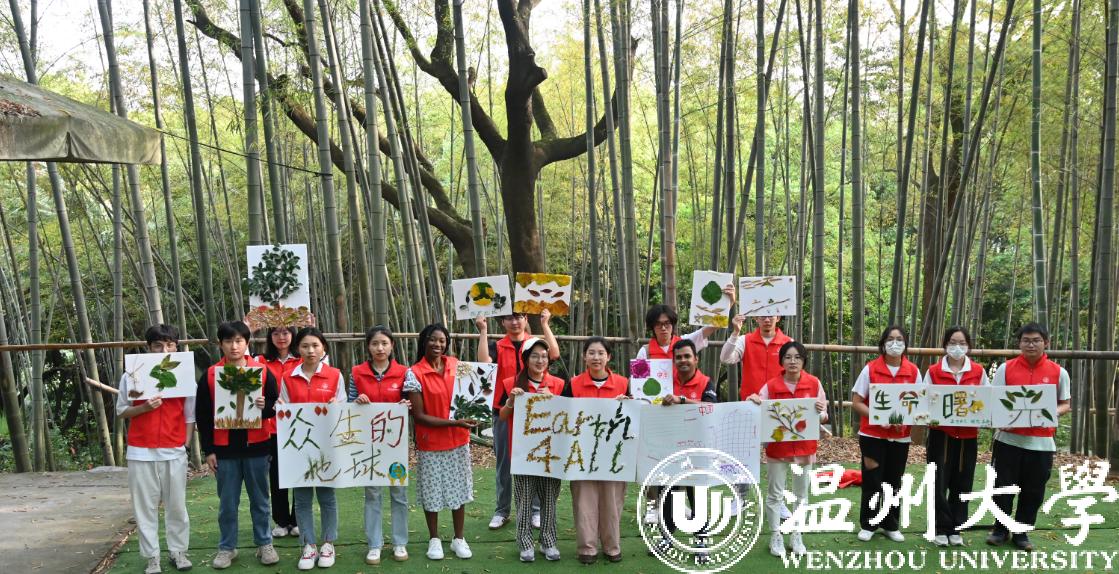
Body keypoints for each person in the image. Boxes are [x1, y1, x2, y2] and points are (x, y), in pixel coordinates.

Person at [197, 321, 280, 569]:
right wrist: (209, 450)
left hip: (257, 446)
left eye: (239, 341)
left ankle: (264, 543)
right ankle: (227, 547)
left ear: (247, 343)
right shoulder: (211, 375)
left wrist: (265, 407)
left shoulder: (262, 372)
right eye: (228, 341)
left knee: (260, 501)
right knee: (227, 503)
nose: (234, 346)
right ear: (220, 344)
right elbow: (203, 415)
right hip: (225, 450)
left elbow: (276, 405)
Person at [116, 324, 194, 574]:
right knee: (144, 508)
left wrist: (185, 445)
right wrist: (143, 408)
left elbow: (190, 416)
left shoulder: (184, 375)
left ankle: (178, 551)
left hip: (174, 448)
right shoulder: (132, 374)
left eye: (170, 345)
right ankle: (152, 557)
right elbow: (121, 410)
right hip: (140, 450)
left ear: (176, 347)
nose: (164, 350)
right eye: (158, 345)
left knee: (177, 505)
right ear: (148, 347)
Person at [986, 322, 1071, 551]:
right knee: (1002, 486)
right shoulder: (1005, 369)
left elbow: (1065, 404)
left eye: (1036, 341)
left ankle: (1021, 532)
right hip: (1008, 440)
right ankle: (1000, 529)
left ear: (1046, 343)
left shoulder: (1059, 372)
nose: (1031, 345)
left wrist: (1052, 412)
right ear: (1019, 343)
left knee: (1033, 490)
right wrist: (998, 417)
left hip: (1041, 443)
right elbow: (994, 400)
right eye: (1026, 340)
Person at [476, 310, 559, 531]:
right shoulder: (497, 346)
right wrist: (483, 330)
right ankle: (502, 511)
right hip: (504, 409)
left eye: (519, 317)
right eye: (509, 318)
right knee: (504, 462)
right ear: (503, 322)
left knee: (535, 460)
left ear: (525, 319)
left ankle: (535, 511)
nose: (515, 322)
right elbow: (484, 363)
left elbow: (554, 354)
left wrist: (545, 324)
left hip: (535, 411)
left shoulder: (534, 344)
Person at [745, 341, 827, 558]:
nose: (793, 361)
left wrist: (820, 411)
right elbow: (758, 406)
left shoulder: (814, 383)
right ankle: (775, 535)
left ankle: (796, 534)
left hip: (804, 447)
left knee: (801, 494)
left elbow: (824, 415)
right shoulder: (771, 386)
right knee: (775, 493)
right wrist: (753, 401)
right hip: (778, 448)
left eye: (797, 357)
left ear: (804, 361)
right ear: (781, 361)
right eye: (788, 357)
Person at [405, 323, 476, 561]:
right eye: (433, 339)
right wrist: (455, 422)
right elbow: (419, 416)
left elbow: (471, 396)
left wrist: (473, 414)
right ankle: (434, 539)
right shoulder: (414, 373)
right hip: (431, 442)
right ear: (424, 341)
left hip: (458, 440)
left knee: (459, 490)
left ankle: (459, 538)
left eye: (442, 340)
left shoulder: (458, 366)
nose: (438, 344)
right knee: (432, 492)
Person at [280, 328, 345, 569]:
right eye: (305, 346)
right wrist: (280, 408)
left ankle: (328, 543)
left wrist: (338, 405)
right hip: (298, 448)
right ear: (298, 349)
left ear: (323, 348)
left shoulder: (334, 375)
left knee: (327, 497)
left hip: (327, 446)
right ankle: (308, 545)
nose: (310, 350)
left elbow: (343, 406)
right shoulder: (288, 377)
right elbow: (284, 408)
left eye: (315, 345)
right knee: (302, 499)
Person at [497, 337, 566, 562]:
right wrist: (511, 400)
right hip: (523, 453)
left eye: (544, 356)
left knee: (549, 498)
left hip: (551, 451)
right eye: (535, 356)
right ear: (525, 359)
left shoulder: (558, 384)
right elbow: (502, 416)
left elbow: (568, 414)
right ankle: (525, 543)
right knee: (524, 498)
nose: (540, 360)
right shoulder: (511, 384)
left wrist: (554, 400)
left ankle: (549, 541)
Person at [850, 325, 921, 543]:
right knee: (872, 479)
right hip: (872, 435)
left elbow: (919, 404)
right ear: (883, 343)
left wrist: (904, 421)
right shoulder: (870, 369)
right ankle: (869, 524)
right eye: (890, 339)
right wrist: (878, 417)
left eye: (900, 339)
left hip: (900, 436)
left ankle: (890, 524)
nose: (895, 343)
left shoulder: (913, 371)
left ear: (906, 344)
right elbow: (857, 402)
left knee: (893, 480)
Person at [563, 337, 631, 564]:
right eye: (591, 353)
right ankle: (587, 547)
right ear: (584, 356)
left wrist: (628, 404)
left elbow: (636, 414)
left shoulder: (623, 383)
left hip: (614, 454)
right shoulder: (573, 384)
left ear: (608, 357)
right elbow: (563, 414)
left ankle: (612, 546)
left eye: (601, 353)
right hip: (581, 452)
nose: (596, 357)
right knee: (584, 500)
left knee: (612, 500)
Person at [350, 326, 412, 564]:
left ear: (392, 346)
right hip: (368, 445)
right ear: (368, 346)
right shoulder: (357, 372)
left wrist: (407, 405)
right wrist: (357, 402)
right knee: (372, 493)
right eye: (375, 343)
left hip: (395, 445)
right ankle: (374, 544)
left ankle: (399, 542)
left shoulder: (404, 372)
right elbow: (348, 405)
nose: (380, 348)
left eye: (384, 343)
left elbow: (411, 402)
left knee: (398, 493)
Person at [922, 326, 988, 547]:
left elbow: (986, 400)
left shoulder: (978, 371)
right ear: (945, 345)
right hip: (941, 435)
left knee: (963, 481)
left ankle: (956, 526)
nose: (957, 347)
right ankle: (940, 527)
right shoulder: (933, 371)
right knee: (938, 481)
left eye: (962, 343)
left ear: (968, 346)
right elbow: (924, 400)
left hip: (968, 436)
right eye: (952, 342)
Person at [652, 339, 718, 556]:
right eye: (678, 357)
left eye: (687, 356)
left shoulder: (706, 382)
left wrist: (681, 401)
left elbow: (710, 408)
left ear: (696, 359)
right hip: (668, 448)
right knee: (667, 494)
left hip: (697, 449)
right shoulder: (663, 382)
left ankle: (701, 540)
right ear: (673, 361)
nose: (683, 360)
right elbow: (647, 402)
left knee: (696, 494)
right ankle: (667, 537)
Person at [260, 327, 300, 539]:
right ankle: (281, 521)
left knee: (299, 473)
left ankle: (297, 519)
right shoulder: (261, 361)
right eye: (276, 333)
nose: (281, 337)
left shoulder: (303, 358)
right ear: (270, 337)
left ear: (293, 335)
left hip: (300, 426)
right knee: (277, 476)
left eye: (285, 333)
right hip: (273, 427)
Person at [633, 285, 734, 361]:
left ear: (672, 324)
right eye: (658, 324)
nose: (663, 328)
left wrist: (730, 303)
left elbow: (712, 327)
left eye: (667, 323)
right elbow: (638, 379)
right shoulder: (645, 352)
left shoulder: (685, 343)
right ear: (652, 327)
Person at [720, 315, 792, 400]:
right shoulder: (745, 340)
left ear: (778, 318)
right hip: (751, 401)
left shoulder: (788, 342)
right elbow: (725, 358)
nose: (767, 320)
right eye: (763, 316)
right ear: (756, 318)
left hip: (780, 401)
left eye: (770, 316)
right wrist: (735, 333)